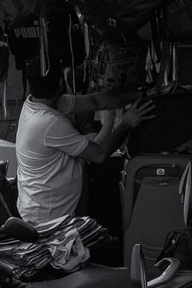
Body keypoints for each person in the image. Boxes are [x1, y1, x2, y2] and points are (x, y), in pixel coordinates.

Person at [12, 65, 152, 231]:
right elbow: (99, 154)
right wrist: (126, 123)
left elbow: (96, 101)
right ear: (60, 85)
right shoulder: (48, 122)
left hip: (43, 211)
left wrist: (145, 94)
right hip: (47, 220)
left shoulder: (35, 103)